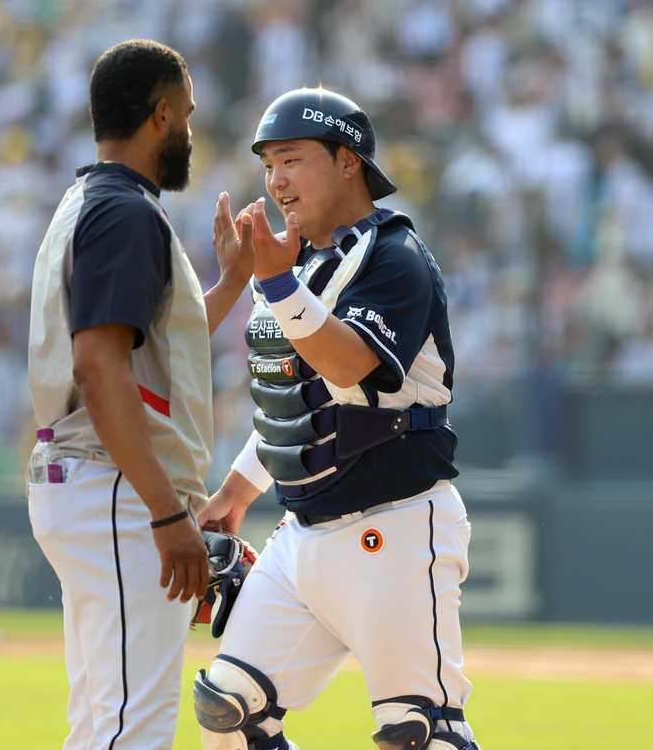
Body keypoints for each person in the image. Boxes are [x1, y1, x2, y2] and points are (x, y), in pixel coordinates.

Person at [191, 88, 478, 750]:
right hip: (303, 537)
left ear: (348, 161)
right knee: (229, 711)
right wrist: (235, 495)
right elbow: (300, 406)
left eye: (291, 159)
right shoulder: (304, 266)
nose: (275, 180)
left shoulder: (393, 257)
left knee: (421, 733)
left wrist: (278, 286)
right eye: (267, 165)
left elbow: (350, 367)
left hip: (397, 522)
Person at [27, 38, 253, 749]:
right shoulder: (124, 212)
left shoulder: (89, 200)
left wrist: (229, 287)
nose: (188, 127)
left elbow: (151, 347)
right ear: (160, 115)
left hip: (87, 475)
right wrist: (164, 511)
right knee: (134, 726)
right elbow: (99, 366)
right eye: (184, 113)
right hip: (118, 484)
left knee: (101, 720)